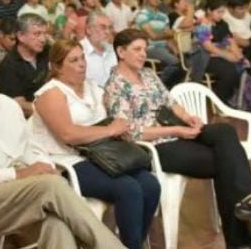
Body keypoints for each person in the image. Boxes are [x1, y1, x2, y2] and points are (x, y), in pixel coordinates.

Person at [0, 42, 125, 249]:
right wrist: (18, 175)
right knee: (51, 186)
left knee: (57, 223)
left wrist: (44, 166)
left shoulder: (4, 104)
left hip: (22, 193)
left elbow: (30, 148)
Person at [104, 29, 251, 248]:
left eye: (144, 48)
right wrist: (176, 132)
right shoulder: (115, 85)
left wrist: (188, 118)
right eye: (137, 49)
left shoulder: (148, 75)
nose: (143, 54)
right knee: (225, 163)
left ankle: (247, 203)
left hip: (176, 130)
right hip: (154, 146)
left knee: (225, 132)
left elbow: (171, 104)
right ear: (121, 52)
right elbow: (130, 132)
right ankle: (243, 227)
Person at [30, 39, 160, 249]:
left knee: (150, 184)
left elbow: (113, 119)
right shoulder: (51, 93)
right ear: (57, 67)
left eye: (82, 58)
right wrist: (110, 130)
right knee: (129, 189)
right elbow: (67, 135)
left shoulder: (94, 88)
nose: (82, 64)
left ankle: (130, 244)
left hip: (101, 154)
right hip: (66, 160)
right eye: (73, 60)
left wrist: (121, 127)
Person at [194, 0, 248, 104]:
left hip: (218, 54)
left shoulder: (223, 24)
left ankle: (233, 98)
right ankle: (220, 101)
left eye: (223, 12)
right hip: (203, 57)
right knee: (230, 71)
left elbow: (231, 41)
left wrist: (240, 57)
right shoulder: (202, 25)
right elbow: (208, 47)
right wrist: (228, 56)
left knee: (242, 66)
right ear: (209, 10)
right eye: (219, 12)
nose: (221, 15)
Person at [0, 13, 49, 117]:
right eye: (37, 34)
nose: (43, 39)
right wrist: (53, 110)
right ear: (21, 36)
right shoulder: (9, 66)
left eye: (45, 33)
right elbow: (20, 106)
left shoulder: (47, 51)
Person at [135, 0, 181, 87]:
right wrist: (167, 34)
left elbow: (169, 36)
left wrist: (176, 50)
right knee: (174, 63)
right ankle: (158, 87)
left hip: (163, 47)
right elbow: (153, 36)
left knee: (184, 63)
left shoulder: (163, 16)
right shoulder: (142, 15)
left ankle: (170, 89)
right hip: (150, 48)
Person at [80, 10, 117, 87]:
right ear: (88, 30)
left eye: (110, 28)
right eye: (103, 27)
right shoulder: (79, 51)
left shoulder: (114, 50)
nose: (107, 32)